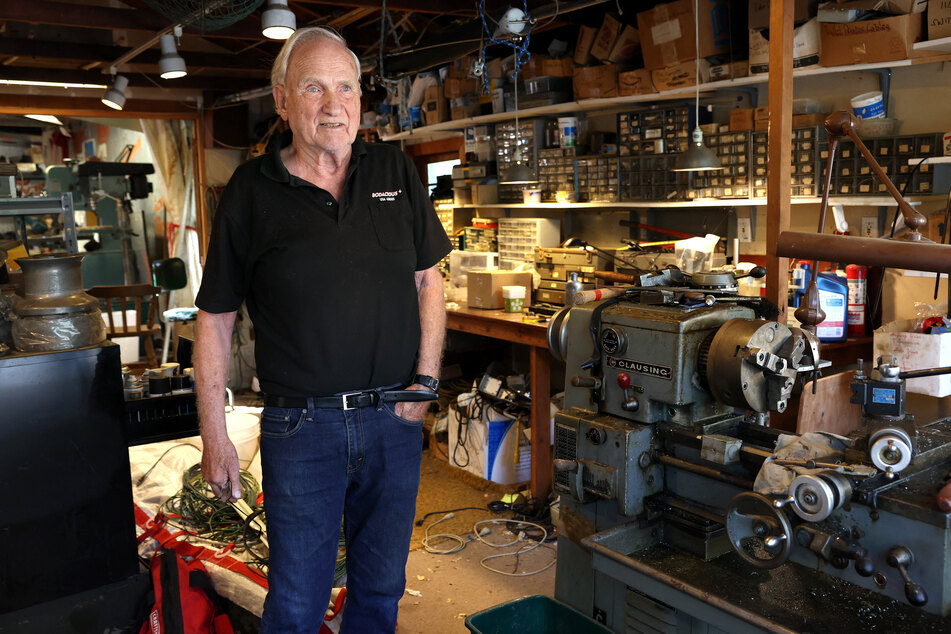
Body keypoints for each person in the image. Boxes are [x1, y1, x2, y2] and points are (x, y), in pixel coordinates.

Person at [193, 26, 452, 633]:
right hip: (301, 426)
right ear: (282, 100)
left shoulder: (392, 167)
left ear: (361, 99)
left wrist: (425, 381)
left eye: (346, 88)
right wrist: (214, 434)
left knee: (381, 589)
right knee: (296, 603)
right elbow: (215, 318)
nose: (333, 105)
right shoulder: (250, 193)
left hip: (394, 419)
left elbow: (429, 281)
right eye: (314, 88)